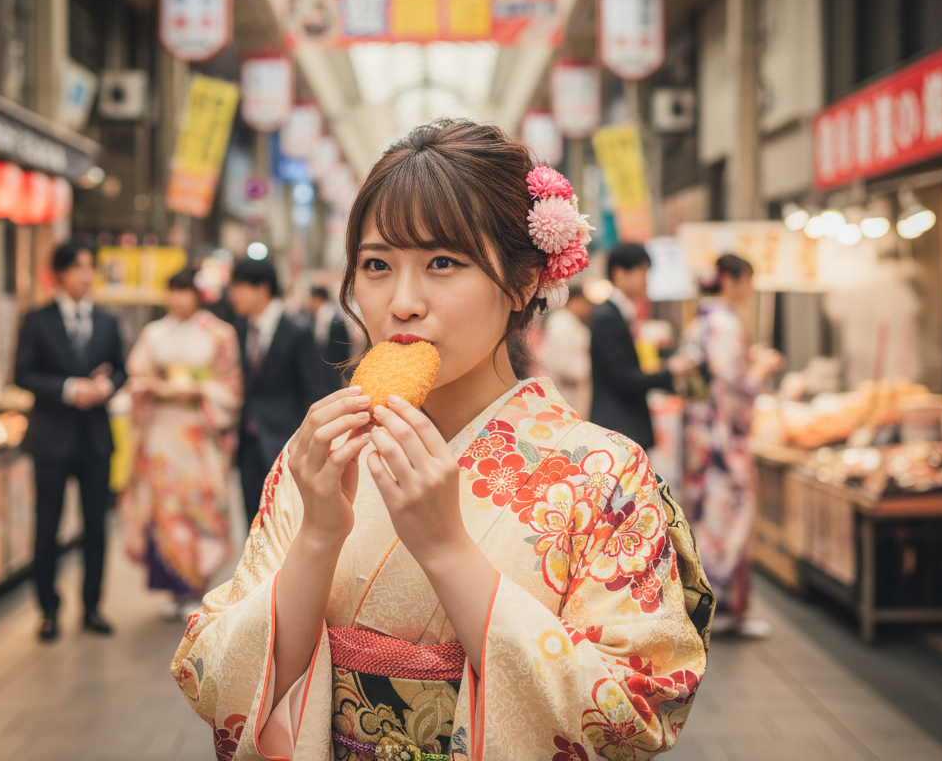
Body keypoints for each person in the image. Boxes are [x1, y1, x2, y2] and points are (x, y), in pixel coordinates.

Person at [172, 121, 711, 760]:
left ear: (521, 283)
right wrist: (319, 533)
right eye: (376, 265)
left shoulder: (606, 474)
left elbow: (633, 712)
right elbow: (215, 672)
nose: (402, 302)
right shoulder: (318, 455)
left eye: (442, 263)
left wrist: (448, 548)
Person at [15, 241, 126, 641]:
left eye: (89, 267)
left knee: (96, 527)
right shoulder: (37, 319)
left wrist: (106, 386)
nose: (85, 275)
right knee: (47, 527)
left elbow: (122, 370)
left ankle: (92, 606)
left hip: (95, 437)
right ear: (60, 272)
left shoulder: (107, 321)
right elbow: (22, 374)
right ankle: (47, 609)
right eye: (79, 267)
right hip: (52, 437)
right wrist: (67, 388)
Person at [118, 268, 243, 618]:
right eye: (172, 292)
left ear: (197, 296)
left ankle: (196, 583)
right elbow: (137, 373)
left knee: (197, 504)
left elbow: (230, 383)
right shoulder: (154, 332)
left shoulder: (219, 333)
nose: (177, 300)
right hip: (160, 432)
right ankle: (172, 587)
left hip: (197, 433)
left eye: (184, 292)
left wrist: (199, 388)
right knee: (163, 507)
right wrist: (152, 386)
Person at [680, 254, 783, 638]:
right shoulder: (722, 323)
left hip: (702, 439)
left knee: (707, 518)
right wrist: (760, 369)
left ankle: (710, 607)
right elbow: (732, 388)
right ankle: (719, 610)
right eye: (748, 281)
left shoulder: (702, 321)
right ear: (733, 281)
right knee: (726, 519)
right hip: (721, 442)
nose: (750, 291)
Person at [229, 259, 331, 524]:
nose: (233, 295)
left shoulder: (296, 331)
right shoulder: (238, 330)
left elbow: (314, 390)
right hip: (247, 444)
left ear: (262, 288)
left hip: (284, 442)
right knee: (252, 522)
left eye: (239, 287)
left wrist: (304, 444)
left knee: (283, 523)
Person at [590, 243, 691, 449]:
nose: (646, 280)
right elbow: (624, 378)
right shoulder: (608, 317)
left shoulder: (619, 314)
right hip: (618, 424)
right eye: (642, 272)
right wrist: (669, 372)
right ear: (619, 272)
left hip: (623, 423)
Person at [537, 284, 593, 418]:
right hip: (565, 391)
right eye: (583, 302)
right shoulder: (561, 323)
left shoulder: (572, 321)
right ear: (575, 301)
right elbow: (563, 365)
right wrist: (591, 368)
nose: (587, 308)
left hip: (576, 391)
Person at [306, 285, 352, 389]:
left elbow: (344, 347)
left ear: (319, 298)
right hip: (323, 367)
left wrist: (344, 370)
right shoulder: (313, 317)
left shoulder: (336, 319)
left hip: (334, 367)